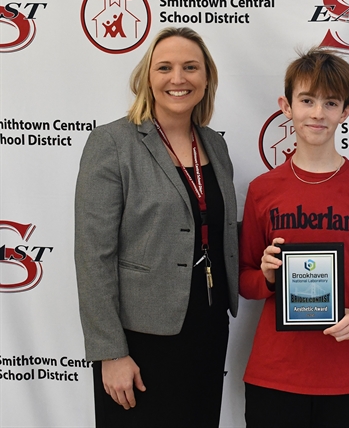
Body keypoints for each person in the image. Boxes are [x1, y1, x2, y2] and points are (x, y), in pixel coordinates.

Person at [74, 27, 238, 428]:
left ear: (207, 78)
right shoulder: (112, 142)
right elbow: (93, 255)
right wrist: (110, 353)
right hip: (140, 339)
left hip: (207, 327)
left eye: (190, 68)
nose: (178, 78)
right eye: (164, 67)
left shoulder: (214, 144)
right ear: (147, 76)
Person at [239, 48, 349, 428]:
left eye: (330, 103)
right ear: (286, 106)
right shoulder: (263, 190)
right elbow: (245, 280)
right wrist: (268, 277)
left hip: (345, 375)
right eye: (307, 100)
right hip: (274, 374)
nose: (317, 113)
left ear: (346, 112)